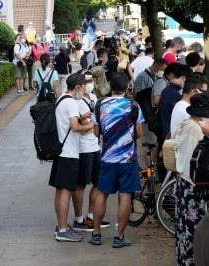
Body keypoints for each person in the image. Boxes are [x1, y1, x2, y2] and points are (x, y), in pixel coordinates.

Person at [89, 72, 144, 248]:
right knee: (125, 195)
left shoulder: (100, 105)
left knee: (102, 193)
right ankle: (119, 237)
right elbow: (139, 133)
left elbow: (96, 133)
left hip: (107, 157)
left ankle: (96, 234)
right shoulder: (133, 106)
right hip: (127, 158)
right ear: (128, 86)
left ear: (111, 86)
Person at [174, 93, 209, 265]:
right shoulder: (194, 129)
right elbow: (199, 157)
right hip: (193, 182)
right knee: (195, 227)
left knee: (184, 225)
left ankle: (184, 260)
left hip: (182, 180)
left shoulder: (184, 125)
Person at [51, 73, 94, 242]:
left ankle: (61, 226)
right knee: (66, 191)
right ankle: (62, 229)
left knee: (60, 190)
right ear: (77, 87)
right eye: (83, 88)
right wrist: (92, 124)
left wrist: (82, 117)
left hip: (61, 150)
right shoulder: (72, 102)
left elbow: (68, 120)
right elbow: (75, 127)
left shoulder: (62, 98)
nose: (83, 91)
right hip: (69, 151)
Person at [71, 70, 110, 231]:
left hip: (95, 146)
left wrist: (91, 125)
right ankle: (79, 219)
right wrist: (90, 124)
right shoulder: (76, 102)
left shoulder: (94, 99)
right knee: (81, 184)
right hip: (83, 148)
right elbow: (83, 128)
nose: (89, 84)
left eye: (91, 80)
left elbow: (96, 123)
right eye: (86, 81)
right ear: (80, 85)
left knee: (99, 181)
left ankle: (92, 216)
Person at [158, 64, 192, 142]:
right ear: (183, 78)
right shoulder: (175, 95)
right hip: (171, 134)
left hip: (165, 131)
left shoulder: (167, 90)